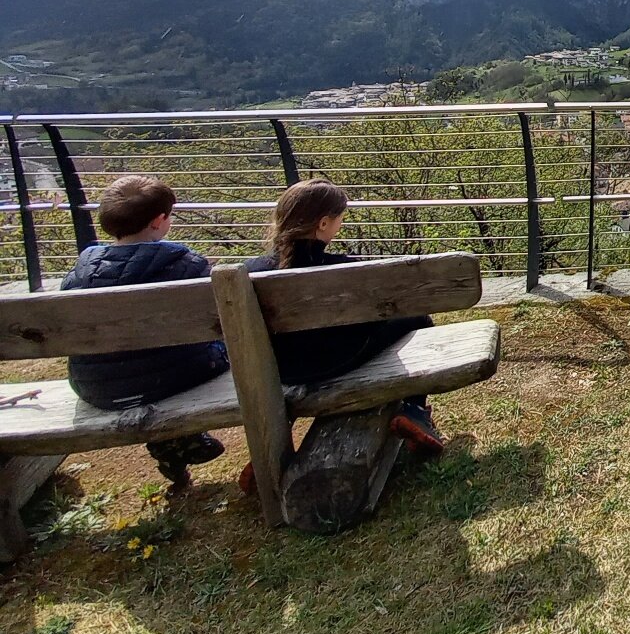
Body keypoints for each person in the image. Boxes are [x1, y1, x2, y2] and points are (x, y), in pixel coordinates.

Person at [243, 179, 446, 463]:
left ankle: (272, 454)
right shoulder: (345, 268)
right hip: (335, 362)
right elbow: (373, 318)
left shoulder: (248, 272)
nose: (341, 223)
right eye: (340, 217)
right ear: (323, 223)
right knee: (418, 318)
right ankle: (414, 410)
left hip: (281, 371)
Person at [58, 175, 229, 487]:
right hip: (172, 377)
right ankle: (175, 438)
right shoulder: (187, 265)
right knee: (216, 351)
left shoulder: (77, 277)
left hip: (96, 387)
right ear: (159, 221)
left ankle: (175, 441)